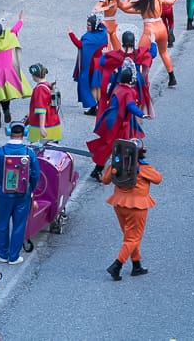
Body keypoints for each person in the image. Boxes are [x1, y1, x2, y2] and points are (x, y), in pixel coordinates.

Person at [100, 138, 160, 281]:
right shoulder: (143, 168)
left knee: (129, 237)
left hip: (119, 204)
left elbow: (105, 180)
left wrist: (111, 165)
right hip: (137, 207)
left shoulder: (117, 165)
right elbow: (158, 179)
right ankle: (117, 265)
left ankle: (136, 264)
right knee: (133, 237)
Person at [0, 122, 39, 265]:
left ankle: (2, 254)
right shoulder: (29, 153)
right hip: (23, 195)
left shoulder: (0, 151)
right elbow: (35, 175)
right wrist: (30, 189)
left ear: (8, 132)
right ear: (25, 133)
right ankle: (14, 256)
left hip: (3, 194)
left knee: (3, 223)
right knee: (19, 224)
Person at [68, 15, 108, 115]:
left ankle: (94, 107)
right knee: (98, 86)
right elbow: (103, 26)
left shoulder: (90, 38)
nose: (87, 26)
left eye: (89, 25)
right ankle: (98, 107)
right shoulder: (102, 33)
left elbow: (79, 44)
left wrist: (71, 34)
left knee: (92, 86)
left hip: (92, 65)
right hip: (100, 63)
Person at [25, 64, 61, 143]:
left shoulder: (40, 89)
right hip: (52, 123)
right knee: (53, 150)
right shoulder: (47, 85)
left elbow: (41, 109)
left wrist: (42, 127)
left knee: (40, 151)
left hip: (43, 126)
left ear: (34, 76)